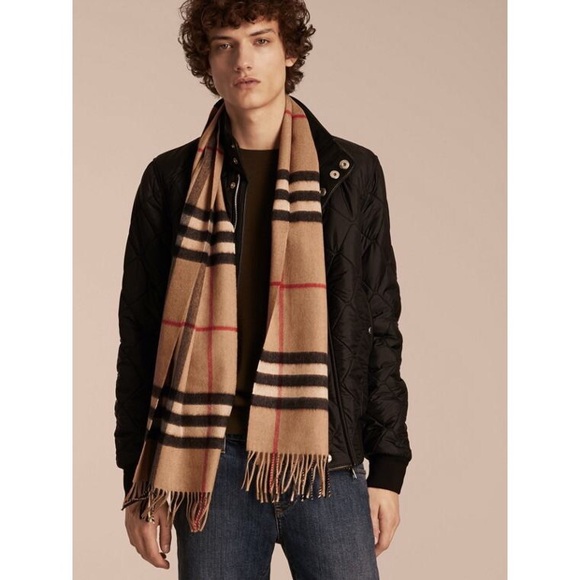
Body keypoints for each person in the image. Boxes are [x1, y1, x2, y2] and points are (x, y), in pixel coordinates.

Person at [114, 1, 412, 578]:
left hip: (327, 460)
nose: (242, 60)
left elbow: (380, 326)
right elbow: (141, 338)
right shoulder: (171, 180)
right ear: (207, 60)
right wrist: (138, 480)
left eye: (260, 40)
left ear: (290, 51)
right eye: (224, 45)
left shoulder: (351, 174)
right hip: (209, 466)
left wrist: (388, 469)